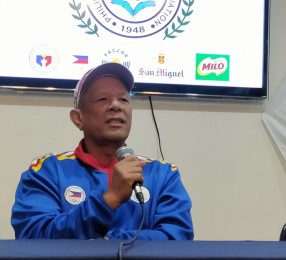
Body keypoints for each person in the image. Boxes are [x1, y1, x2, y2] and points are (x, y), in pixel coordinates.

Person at [11, 62, 194, 240]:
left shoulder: (162, 174)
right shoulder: (47, 171)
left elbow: (178, 237)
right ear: (78, 118)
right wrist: (109, 200)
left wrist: (109, 242)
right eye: (102, 99)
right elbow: (33, 235)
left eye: (124, 99)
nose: (116, 105)